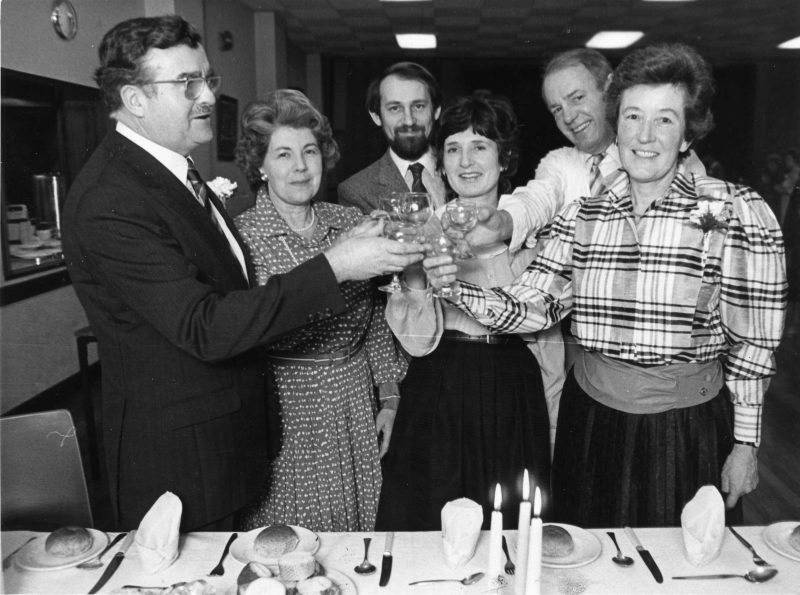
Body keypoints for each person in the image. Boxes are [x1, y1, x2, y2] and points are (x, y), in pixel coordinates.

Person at [62, 16, 424, 531]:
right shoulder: (111, 197)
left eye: (207, 78)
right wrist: (337, 265)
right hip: (183, 462)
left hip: (234, 444)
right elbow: (204, 326)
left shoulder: (174, 176)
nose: (207, 94)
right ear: (135, 99)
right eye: (187, 83)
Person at [426, 43, 786, 528]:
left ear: (686, 134)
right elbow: (534, 305)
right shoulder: (585, 215)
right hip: (590, 419)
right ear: (617, 124)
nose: (644, 135)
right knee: (589, 560)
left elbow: (752, 343)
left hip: (683, 430)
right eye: (633, 116)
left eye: (665, 120)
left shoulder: (728, 212)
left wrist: (745, 443)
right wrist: (454, 288)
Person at [444, 49, 708, 450]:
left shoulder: (685, 169)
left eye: (577, 98)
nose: (568, 116)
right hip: (590, 369)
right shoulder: (564, 166)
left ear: (610, 90)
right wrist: (502, 222)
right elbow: (537, 199)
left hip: (675, 396)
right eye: (556, 108)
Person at [232, 91, 407, 532]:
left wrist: (388, 397)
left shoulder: (348, 221)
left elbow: (374, 320)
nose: (300, 167)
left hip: (353, 399)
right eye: (284, 154)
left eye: (310, 151)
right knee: (290, 538)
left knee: (358, 534)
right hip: (286, 408)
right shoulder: (241, 239)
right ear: (260, 165)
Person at [376, 91, 550, 531]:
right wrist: (414, 270)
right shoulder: (423, 226)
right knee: (432, 522)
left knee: (510, 523)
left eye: (480, 146)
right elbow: (415, 342)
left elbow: (546, 332)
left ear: (504, 157)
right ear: (440, 161)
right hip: (439, 385)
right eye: (453, 148)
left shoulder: (533, 227)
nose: (466, 161)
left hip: (511, 389)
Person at [338, 62, 447, 214]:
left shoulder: (462, 168)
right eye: (395, 108)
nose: (409, 121)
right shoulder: (356, 191)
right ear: (376, 116)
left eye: (418, 106)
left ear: (436, 111)